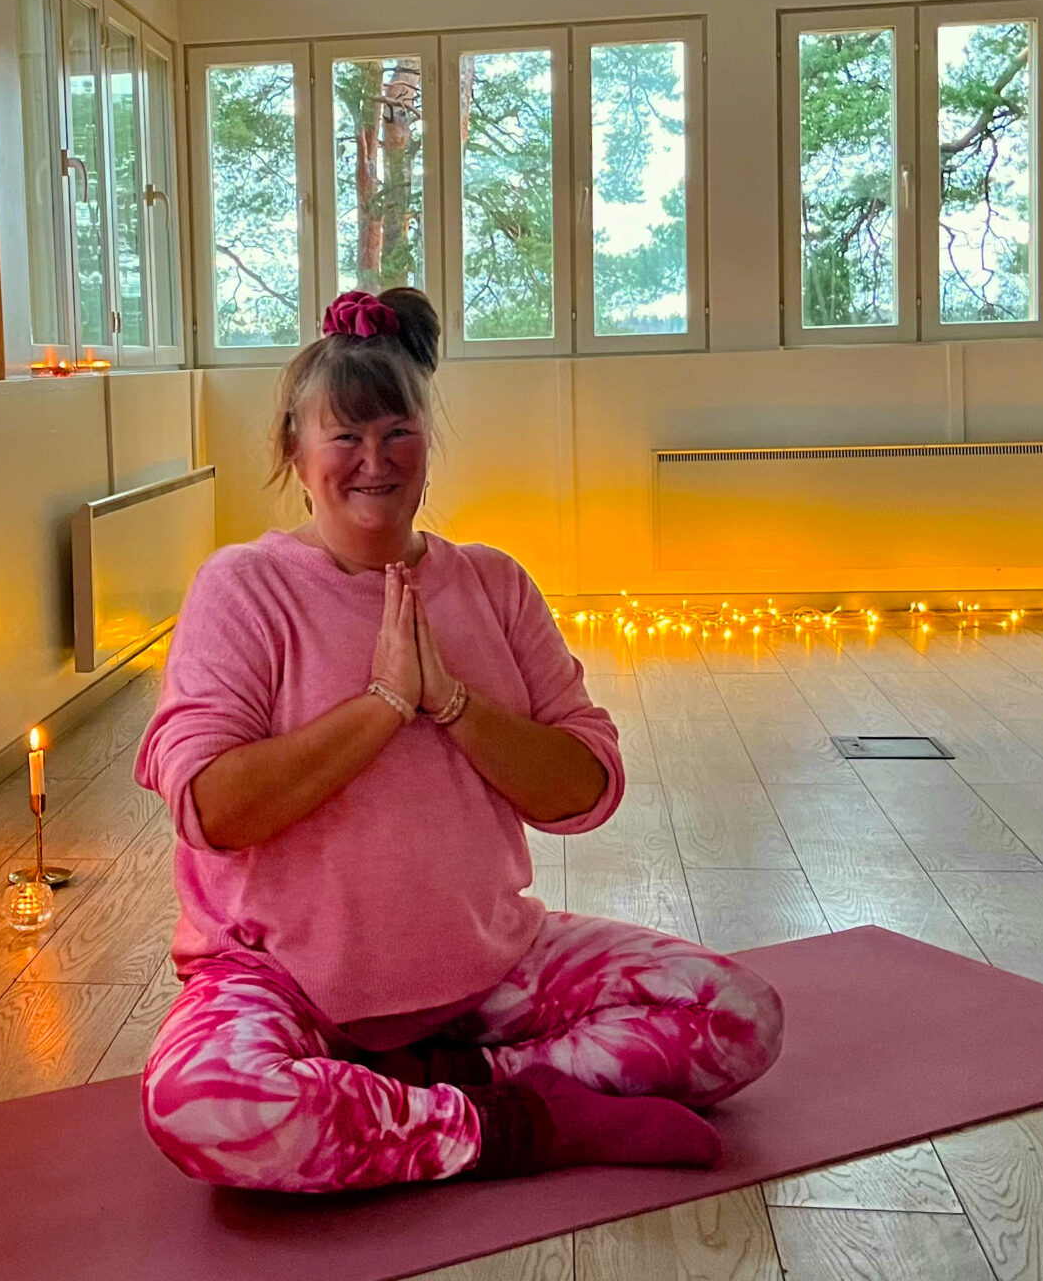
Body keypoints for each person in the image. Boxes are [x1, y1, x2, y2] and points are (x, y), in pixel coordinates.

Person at [133, 287, 783, 1193]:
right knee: (202, 1104)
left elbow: (584, 790)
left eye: (397, 431)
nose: (374, 460)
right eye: (345, 436)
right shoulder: (241, 588)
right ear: (294, 448)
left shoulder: (492, 584)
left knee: (740, 1015)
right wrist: (382, 704)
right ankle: (518, 1123)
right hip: (283, 985)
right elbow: (213, 809)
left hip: (488, 974)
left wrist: (454, 704)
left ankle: (444, 1087)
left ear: (428, 445)